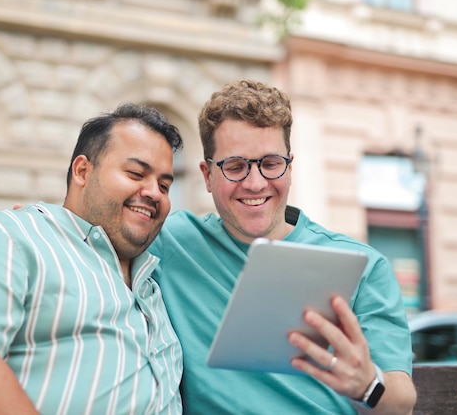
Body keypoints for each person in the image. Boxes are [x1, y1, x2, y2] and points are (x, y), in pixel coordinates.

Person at [149, 80, 417, 414]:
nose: (255, 183)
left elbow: (401, 403)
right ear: (206, 176)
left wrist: (368, 384)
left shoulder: (362, 265)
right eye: (235, 167)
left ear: (290, 165)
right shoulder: (169, 241)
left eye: (271, 163)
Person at [0, 103, 184, 415]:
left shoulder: (154, 282)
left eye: (165, 186)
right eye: (136, 173)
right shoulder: (3, 233)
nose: (154, 193)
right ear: (82, 171)